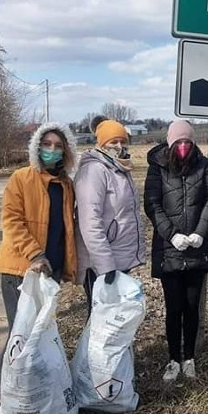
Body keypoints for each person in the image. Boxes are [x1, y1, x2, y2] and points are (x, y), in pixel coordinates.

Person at [0, 122, 78, 394]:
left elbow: (65, 228)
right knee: (19, 336)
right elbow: (11, 221)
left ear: (66, 152)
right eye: (47, 144)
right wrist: (35, 254)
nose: (51, 150)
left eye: (58, 146)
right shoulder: (22, 178)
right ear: (37, 147)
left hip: (49, 274)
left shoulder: (65, 185)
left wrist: (67, 266)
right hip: (21, 270)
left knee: (40, 336)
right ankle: (6, 398)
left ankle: (34, 395)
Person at [144, 120, 208, 383]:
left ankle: (189, 359)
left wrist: (200, 231)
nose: (184, 147)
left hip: (197, 248)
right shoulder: (157, 168)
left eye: (188, 142)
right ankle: (173, 359)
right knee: (174, 307)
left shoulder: (203, 165)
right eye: (179, 142)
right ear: (171, 143)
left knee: (192, 307)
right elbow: (152, 204)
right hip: (169, 249)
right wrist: (171, 235)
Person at [74, 119, 146, 307]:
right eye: (113, 142)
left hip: (120, 258)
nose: (119, 146)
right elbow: (90, 223)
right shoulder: (93, 170)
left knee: (116, 320)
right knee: (100, 323)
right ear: (102, 143)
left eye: (123, 141)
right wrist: (105, 266)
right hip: (101, 264)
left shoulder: (119, 167)